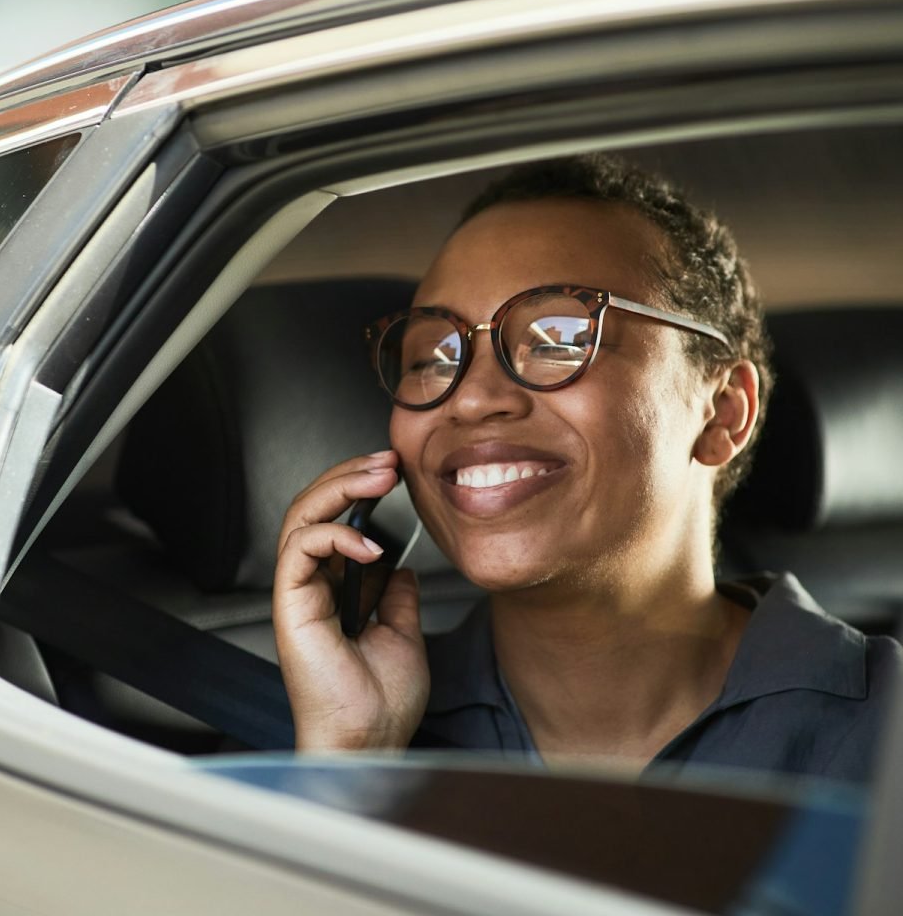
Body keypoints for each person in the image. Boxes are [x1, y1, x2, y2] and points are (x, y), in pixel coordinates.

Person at [272, 154, 902, 781]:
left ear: (720, 414)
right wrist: (351, 756)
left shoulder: (882, 735)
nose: (468, 396)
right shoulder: (331, 723)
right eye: (433, 357)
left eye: (561, 339)